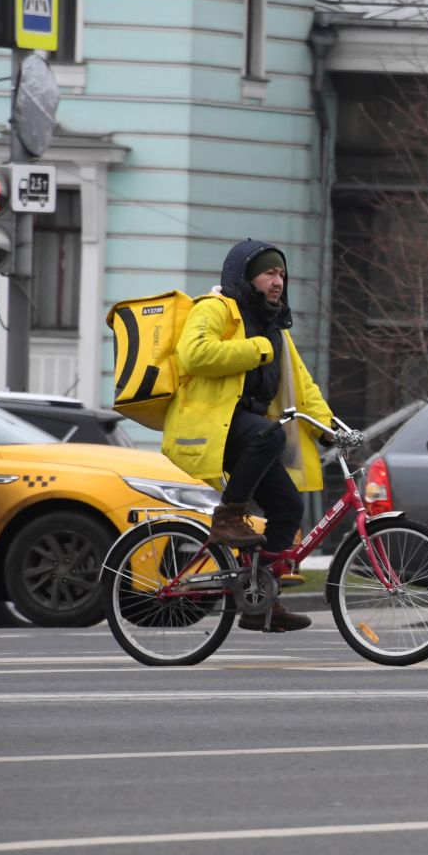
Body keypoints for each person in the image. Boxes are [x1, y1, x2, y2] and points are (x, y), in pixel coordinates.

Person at [160, 239, 348, 632]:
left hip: (243, 428)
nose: (277, 281)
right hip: (209, 424)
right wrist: (258, 348)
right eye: (268, 273)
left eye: (281, 274)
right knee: (269, 435)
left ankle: (262, 600)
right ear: (245, 277)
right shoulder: (214, 309)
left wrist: (331, 428)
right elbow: (194, 354)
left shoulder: (273, 326)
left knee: (288, 508)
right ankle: (227, 516)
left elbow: (302, 386)